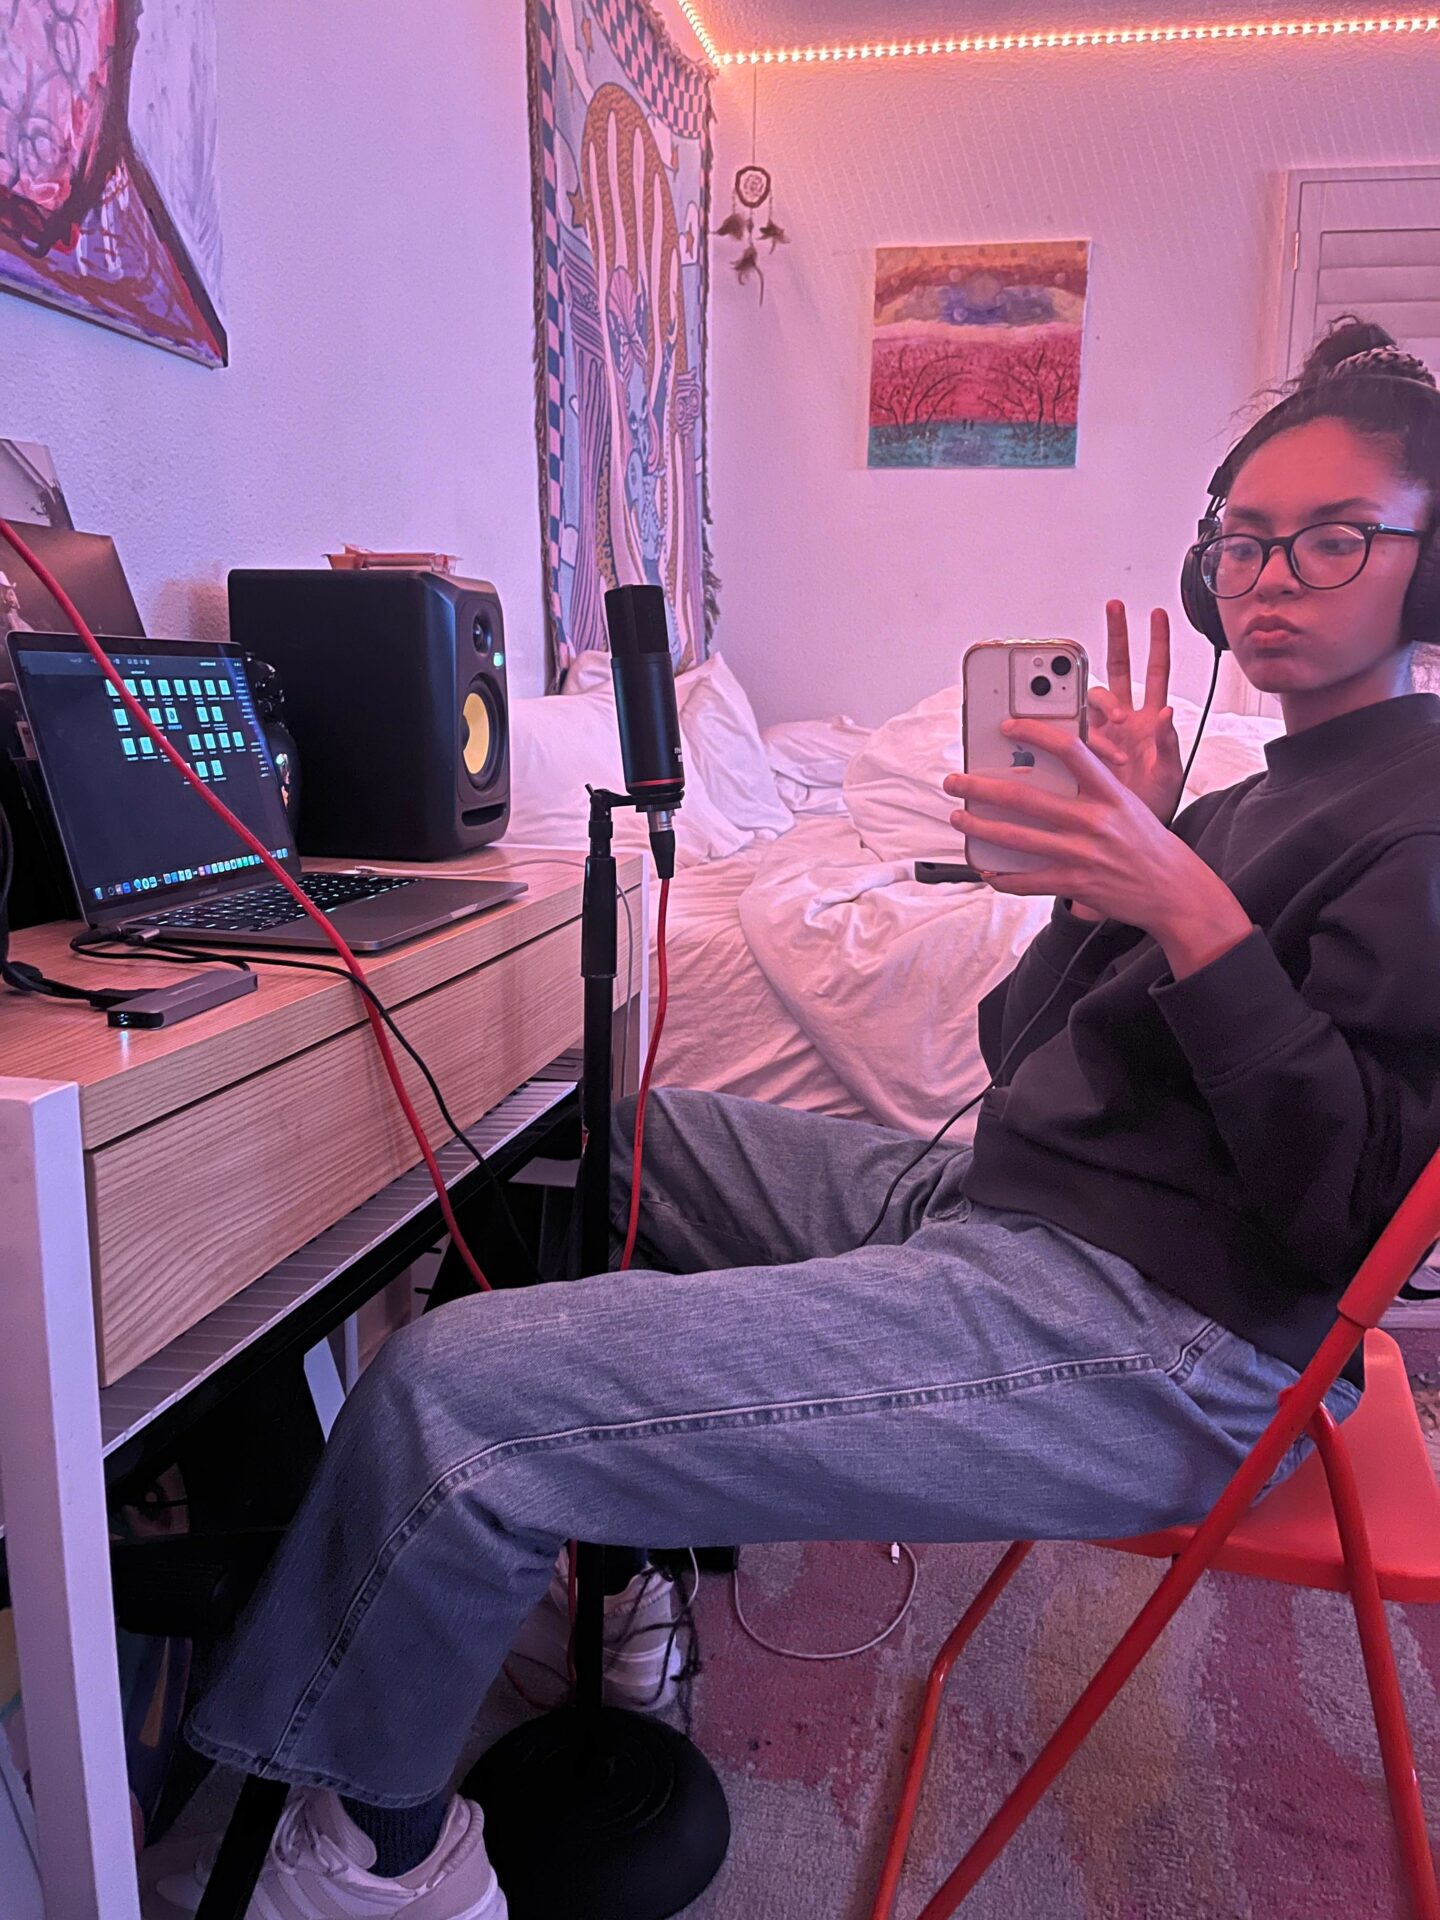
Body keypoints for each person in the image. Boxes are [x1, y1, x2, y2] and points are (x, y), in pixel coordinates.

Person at [153, 318, 1440, 1917]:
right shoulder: (1249, 796)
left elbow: (1350, 1218)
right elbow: (1021, 1053)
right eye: (1243, 541)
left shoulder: (1418, 821)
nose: (1269, 578)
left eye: (1333, 538)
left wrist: (1187, 907)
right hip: (1013, 1207)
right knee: (571, 1133)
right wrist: (1112, 882)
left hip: (1168, 1339)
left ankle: (383, 1866)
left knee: (454, 1397)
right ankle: (616, 1588)